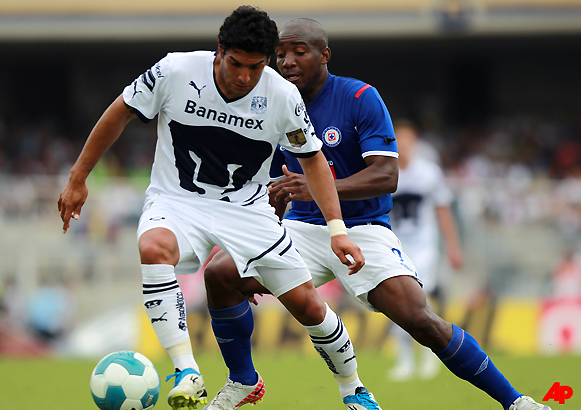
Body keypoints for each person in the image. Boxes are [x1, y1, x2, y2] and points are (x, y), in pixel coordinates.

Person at [204, 17, 552, 410]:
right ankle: (244, 381)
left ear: (324, 55)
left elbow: (387, 175)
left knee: (421, 321)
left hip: (362, 230)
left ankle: (516, 402)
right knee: (220, 273)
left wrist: (317, 189)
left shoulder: (359, 98)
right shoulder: (270, 104)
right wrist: (274, 206)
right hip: (299, 228)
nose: (287, 62)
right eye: (281, 54)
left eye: (299, 52)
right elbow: (269, 181)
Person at [58, 6, 373, 410]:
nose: (244, 77)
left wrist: (337, 230)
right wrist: (77, 177)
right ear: (219, 51)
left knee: (307, 305)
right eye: (237, 64)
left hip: (247, 210)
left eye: (256, 67)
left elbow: (312, 159)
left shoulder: (281, 96)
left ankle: (353, 387)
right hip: (177, 200)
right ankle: (187, 371)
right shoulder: (175, 71)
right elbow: (119, 111)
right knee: (153, 247)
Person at [387, 120, 463, 381]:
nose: (404, 147)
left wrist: (453, 247)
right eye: (399, 141)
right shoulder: (384, 171)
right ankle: (404, 360)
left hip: (423, 246)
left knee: (419, 297)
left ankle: (432, 355)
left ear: (416, 143)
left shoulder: (429, 173)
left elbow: (443, 211)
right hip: (395, 246)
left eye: (408, 141)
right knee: (396, 301)